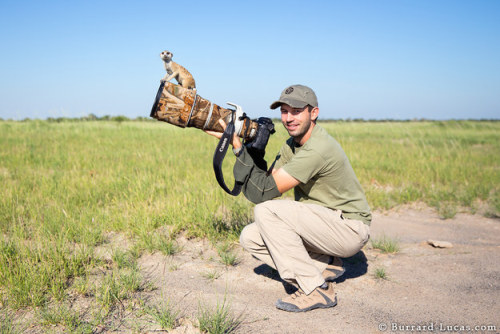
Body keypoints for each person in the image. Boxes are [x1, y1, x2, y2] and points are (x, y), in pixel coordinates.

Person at [206, 84, 371, 312]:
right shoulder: (291, 146)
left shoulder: (317, 148)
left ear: (314, 113)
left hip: (348, 229)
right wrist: (254, 149)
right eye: (284, 111)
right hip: (323, 224)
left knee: (267, 212)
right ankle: (325, 265)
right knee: (251, 237)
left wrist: (237, 147)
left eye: (296, 111)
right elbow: (260, 189)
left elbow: (264, 197)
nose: (288, 118)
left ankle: (316, 289)